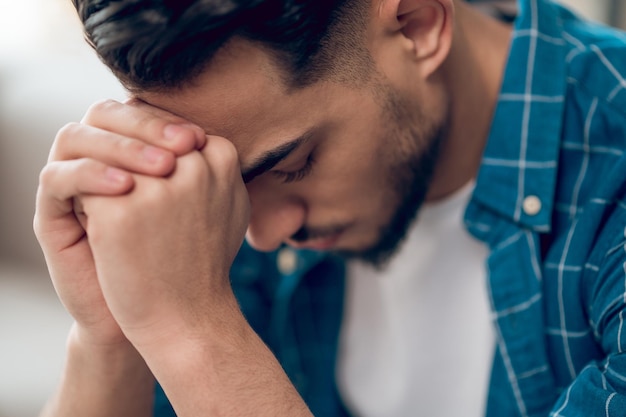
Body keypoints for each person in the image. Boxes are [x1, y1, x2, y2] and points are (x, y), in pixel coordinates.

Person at [33, 0, 626, 415]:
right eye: (235, 184)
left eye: (292, 165)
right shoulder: (224, 187)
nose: (260, 234)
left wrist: (196, 332)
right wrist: (110, 337)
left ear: (417, 26)